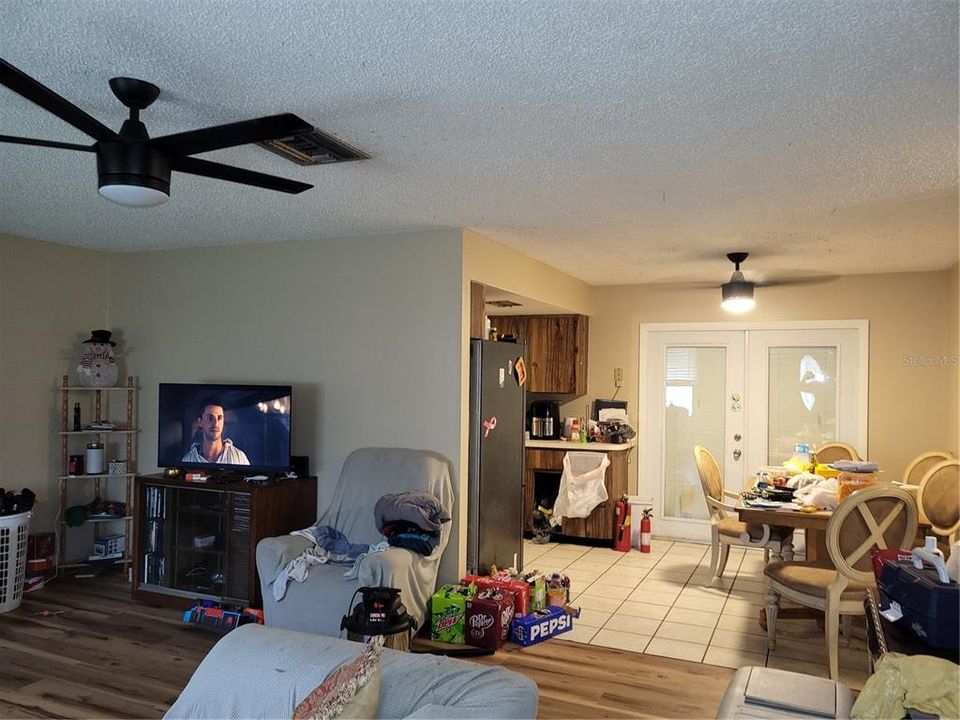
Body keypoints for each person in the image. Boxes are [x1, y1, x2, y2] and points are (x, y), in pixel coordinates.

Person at [181, 399, 250, 465]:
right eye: (210, 418)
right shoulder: (188, 459)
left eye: (219, 418)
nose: (216, 424)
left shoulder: (239, 458)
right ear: (200, 422)